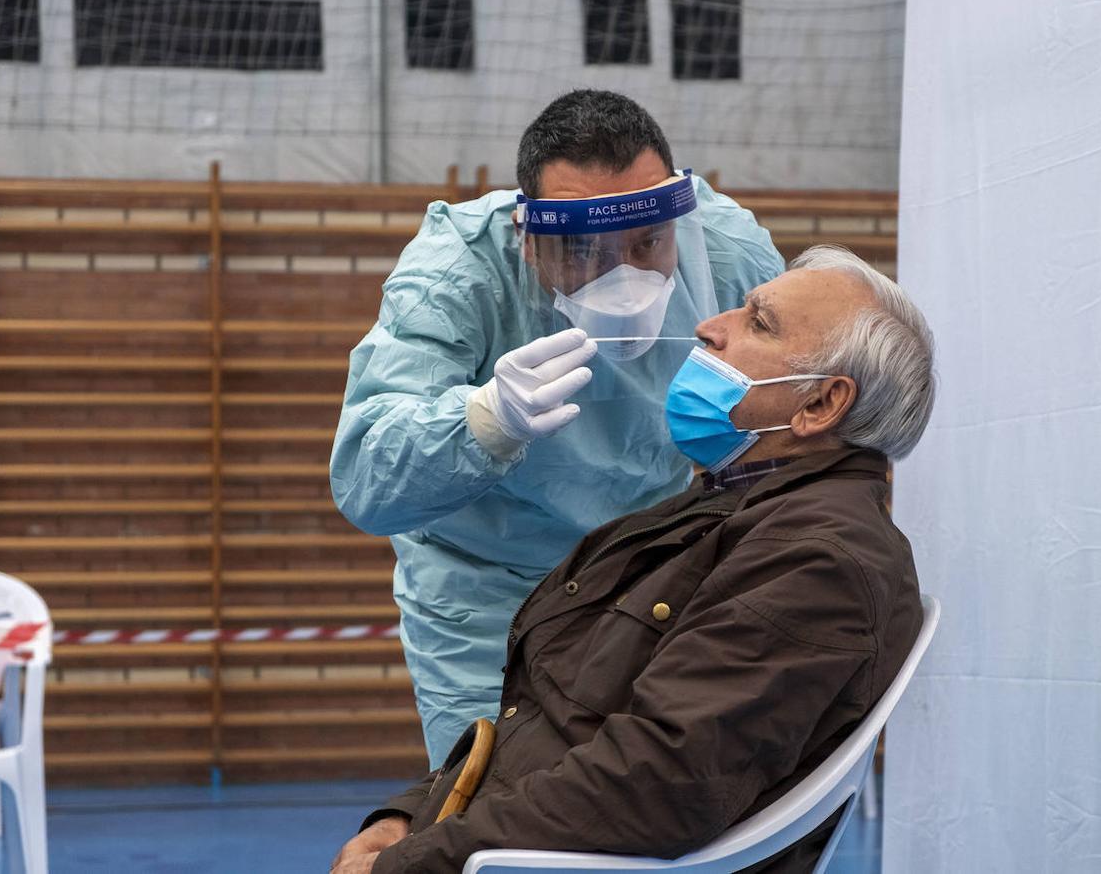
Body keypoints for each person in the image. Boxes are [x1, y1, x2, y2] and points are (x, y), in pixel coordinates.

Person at [329, 245, 937, 874]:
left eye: (758, 321)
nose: (711, 326)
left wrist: (412, 860)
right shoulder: (733, 508)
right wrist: (408, 815)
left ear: (819, 405)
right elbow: (549, 722)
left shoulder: (816, 558)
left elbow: (652, 781)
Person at [329, 90, 785, 762]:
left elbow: (803, 423)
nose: (621, 278)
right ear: (527, 237)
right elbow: (367, 477)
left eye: (646, 242)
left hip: (657, 569)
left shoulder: (728, 256)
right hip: (487, 592)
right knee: (490, 808)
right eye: (583, 251)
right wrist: (485, 421)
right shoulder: (459, 273)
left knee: (662, 800)